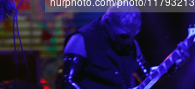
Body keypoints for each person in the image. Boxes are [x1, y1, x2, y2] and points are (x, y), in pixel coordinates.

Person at [62, 5, 190, 89]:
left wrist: (173, 65)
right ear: (107, 22)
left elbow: (146, 79)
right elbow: (68, 83)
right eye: (123, 36)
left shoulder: (131, 43)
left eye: (133, 36)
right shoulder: (81, 40)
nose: (129, 41)